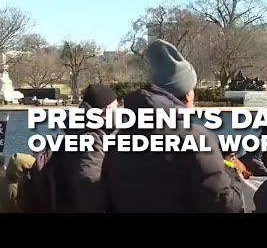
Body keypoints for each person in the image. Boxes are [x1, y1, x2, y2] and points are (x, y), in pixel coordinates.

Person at [101, 39, 244, 213]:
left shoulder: (117, 140)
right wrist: (233, 175)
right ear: (186, 95)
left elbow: (106, 200)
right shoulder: (196, 140)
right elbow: (223, 205)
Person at [55, 83, 119, 213]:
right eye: (117, 106)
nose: (120, 109)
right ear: (106, 109)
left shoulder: (78, 132)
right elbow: (89, 182)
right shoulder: (91, 139)